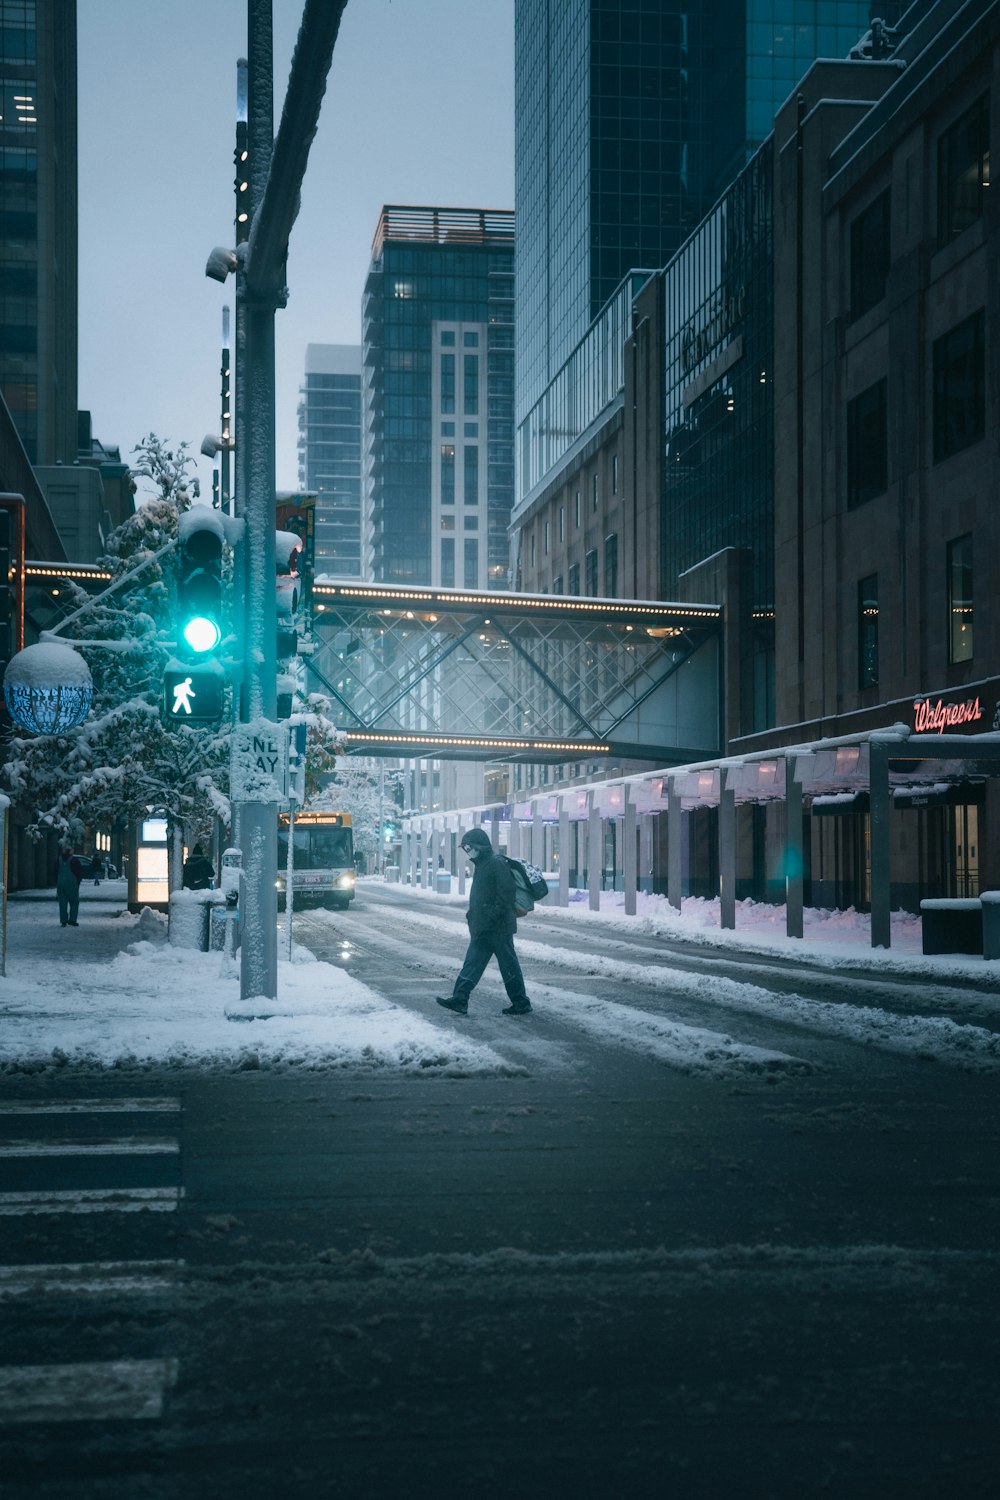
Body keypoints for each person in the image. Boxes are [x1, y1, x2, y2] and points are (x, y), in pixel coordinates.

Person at [436, 827, 532, 1017]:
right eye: (465, 848)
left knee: (507, 965)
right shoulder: (483, 864)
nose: (467, 851)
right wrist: (474, 916)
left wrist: (489, 916)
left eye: (469, 847)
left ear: (479, 846)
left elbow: (506, 895)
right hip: (485, 927)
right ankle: (461, 999)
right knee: (474, 963)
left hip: (498, 927)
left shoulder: (495, 863)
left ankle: (520, 1002)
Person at [54, 842, 83, 927]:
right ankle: (72, 920)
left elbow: (55, 872)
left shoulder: (58, 860)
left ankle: (63, 920)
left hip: (61, 883)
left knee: (62, 903)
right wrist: (78, 882)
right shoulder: (74, 860)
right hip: (72, 884)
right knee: (74, 902)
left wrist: (57, 881)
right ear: (70, 851)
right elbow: (79, 873)